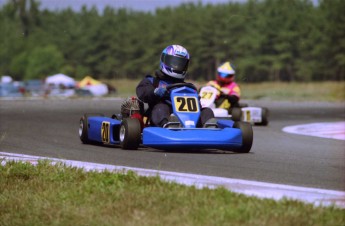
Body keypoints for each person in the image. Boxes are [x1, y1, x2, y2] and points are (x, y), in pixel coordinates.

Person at [136, 44, 214, 127]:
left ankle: (210, 127)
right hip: (160, 117)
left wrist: (196, 99)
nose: (177, 66)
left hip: (189, 118)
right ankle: (169, 124)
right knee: (161, 108)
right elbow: (142, 92)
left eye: (180, 63)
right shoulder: (153, 81)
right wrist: (155, 92)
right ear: (164, 60)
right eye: (174, 63)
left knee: (207, 111)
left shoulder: (188, 87)